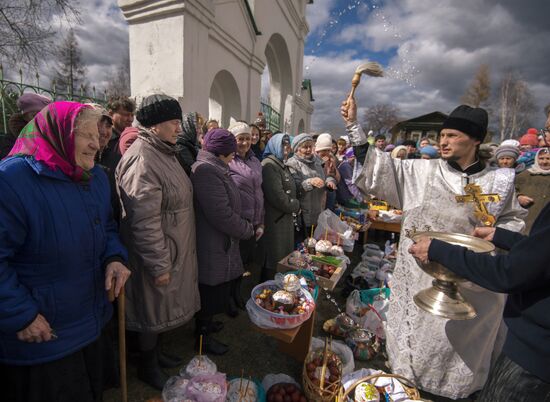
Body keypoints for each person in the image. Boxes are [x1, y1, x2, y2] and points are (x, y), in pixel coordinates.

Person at [341, 98, 526, 399]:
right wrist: (353, 127)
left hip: (474, 289)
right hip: (421, 280)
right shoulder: (422, 172)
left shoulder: (498, 182)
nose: (444, 140)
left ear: (476, 140)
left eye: (453, 135)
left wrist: (496, 236)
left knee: (460, 366)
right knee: (415, 360)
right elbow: (379, 170)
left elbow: (514, 223)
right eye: (442, 135)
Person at [0, 101, 130, 402]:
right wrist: (20, 314)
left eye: (96, 134)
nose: (96, 144)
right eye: (85, 134)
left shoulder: (94, 177)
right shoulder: (12, 181)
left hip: (91, 322)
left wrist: (114, 258)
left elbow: (107, 227)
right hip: (43, 338)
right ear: (56, 133)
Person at [409, 202, 550, 401]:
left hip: (535, 360)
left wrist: (439, 251)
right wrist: (504, 237)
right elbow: (539, 258)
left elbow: (510, 273)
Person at [116, 95, 200, 390]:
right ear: (154, 126)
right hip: (157, 253)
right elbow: (143, 220)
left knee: (159, 310)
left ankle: (157, 354)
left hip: (172, 247)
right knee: (150, 310)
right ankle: (146, 365)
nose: (179, 128)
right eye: (174, 122)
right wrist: (159, 262)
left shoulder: (163, 152)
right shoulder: (142, 159)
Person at [191, 128, 254, 355]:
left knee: (215, 289)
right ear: (222, 152)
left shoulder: (216, 167)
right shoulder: (207, 172)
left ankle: (206, 326)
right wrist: (246, 229)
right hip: (212, 242)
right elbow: (221, 214)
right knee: (208, 290)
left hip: (219, 241)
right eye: (231, 152)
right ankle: (202, 337)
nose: (233, 156)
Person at [227, 121, 264, 311]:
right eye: (240, 138)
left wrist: (261, 222)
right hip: (237, 222)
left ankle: (236, 293)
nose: (245, 142)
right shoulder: (227, 161)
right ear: (232, 140)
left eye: (248, 138)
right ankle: (229, 300)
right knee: (233, 263)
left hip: (253, 221)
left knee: (243, 263)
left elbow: (259, 193)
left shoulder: (255, 160)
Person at [258, 133, 300, 281]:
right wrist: (296, 204)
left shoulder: (282, 164)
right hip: (275, 221)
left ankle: (278, 288)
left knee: (281, 257)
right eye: (283, 145)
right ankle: (267, 289)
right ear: (275, 145)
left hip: (283, 220)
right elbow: (278, 198)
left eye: (288, 145)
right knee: (274, 257)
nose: (286, 149)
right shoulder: (269, 165)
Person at [286, 133, 337, 242]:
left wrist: (329, 182)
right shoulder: (292, 164)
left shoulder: (318, 161)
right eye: (305, 147)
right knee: (302, 243)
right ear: (297, 149)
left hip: (317, 208)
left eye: (310, 146)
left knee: (314, 242)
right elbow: (294, 187)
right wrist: (310, 182)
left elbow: (327, 176)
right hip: (302, 212)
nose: (309, 149)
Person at [101, 97, 136, 223]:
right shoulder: (103, 139)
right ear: (111, 114)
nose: (131, 119)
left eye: (132, 115)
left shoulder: (130, 137)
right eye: (126, 115)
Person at [2, 93, 51, 158]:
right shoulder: (11, 140)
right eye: (34, 115)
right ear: (25, 116)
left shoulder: (50, 135)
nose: (40, 119)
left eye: (44, 115)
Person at [514, 148, 550, 232]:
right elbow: (510, 191)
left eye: (548, 158)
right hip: (527, 218)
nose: (544, 162)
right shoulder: (525, 175)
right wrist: (518, 197)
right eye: (541, 158)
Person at [316, 133, 341, 212]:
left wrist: (331, 179)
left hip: (326, 194)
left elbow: (332, 175)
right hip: (314, 195)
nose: (326, 152)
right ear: (318, 149)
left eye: (328, 150)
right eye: (324, 150)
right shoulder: (312, 159)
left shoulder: (329, 159)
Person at [175, 112, 203, 176]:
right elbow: (192, 169)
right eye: (198, 128)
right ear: (189, 127)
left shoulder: (193, 143)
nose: (200, 131)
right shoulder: (181, 145)